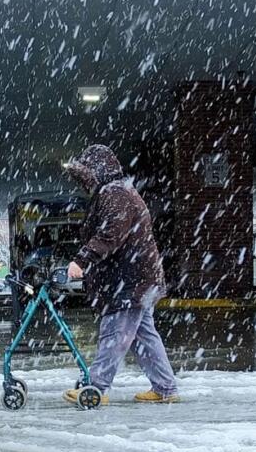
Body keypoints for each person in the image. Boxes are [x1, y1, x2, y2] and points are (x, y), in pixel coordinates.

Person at [62, 144, 179, 405]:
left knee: (115, 332)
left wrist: (82, 260)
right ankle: (165, 387)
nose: (83, 182)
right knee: (142, 335)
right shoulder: (117, 191)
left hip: (129, 279)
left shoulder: (116, 194)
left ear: (97, 171)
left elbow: (110, 234)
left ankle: (96, 389)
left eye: (86, 174)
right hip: (138, 278)